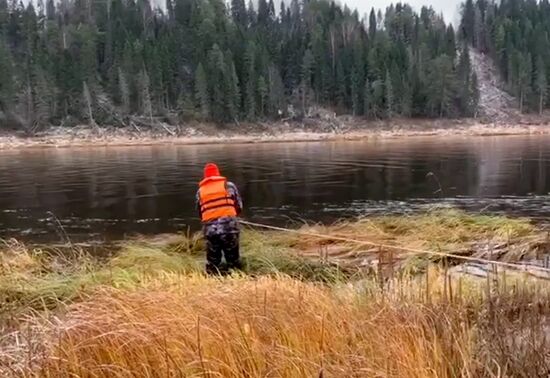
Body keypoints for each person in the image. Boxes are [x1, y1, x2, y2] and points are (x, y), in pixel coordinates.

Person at [196, 163, 243, 274]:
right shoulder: (228, 185)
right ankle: (235, 277)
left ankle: (214, 278)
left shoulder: (200, 191)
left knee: (213, 261)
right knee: (233, 259)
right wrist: (233, 215)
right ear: (218, 173)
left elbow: (200, 212)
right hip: (229, 228)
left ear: (205, 176)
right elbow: (239, 205)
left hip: (210, 230)